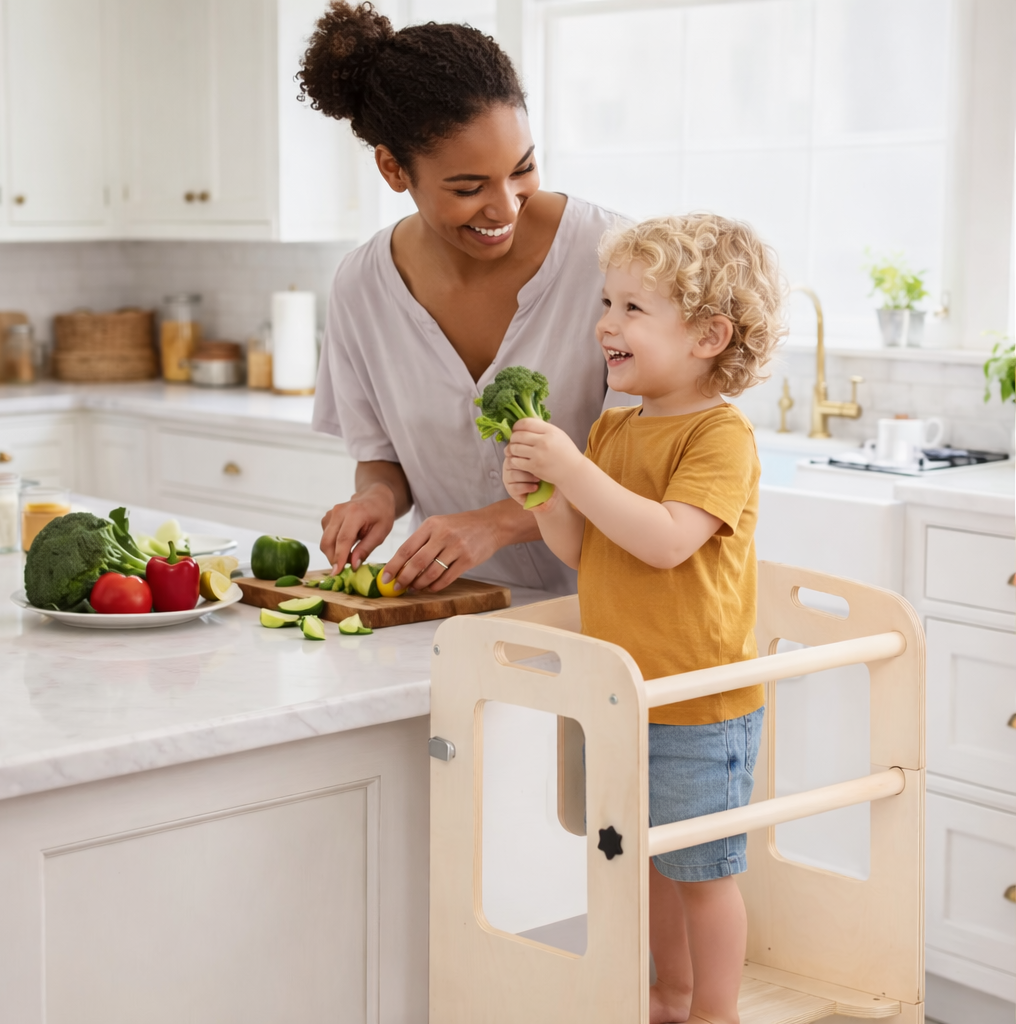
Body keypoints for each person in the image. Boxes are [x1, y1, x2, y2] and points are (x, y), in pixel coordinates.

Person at [502, 213, 785, 1024]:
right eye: (606, 302)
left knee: (703, 873)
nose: (605, 324)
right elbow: (587, 552)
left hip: (698, 704)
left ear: (707, 335)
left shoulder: (720, 435)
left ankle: (717, 1011)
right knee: (648, 866)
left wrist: (571, 470)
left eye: (632, 308)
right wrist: (545, 495)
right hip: (626, 698)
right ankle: (670, 995)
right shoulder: (612, 427)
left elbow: (665, 543)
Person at [298, 1, 624, 595]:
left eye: (522, 169)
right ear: (394, 170)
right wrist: (374, 496)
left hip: (610, 617)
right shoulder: (362, 287)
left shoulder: (616, 261)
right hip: (454, 613)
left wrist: (495, 524)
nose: (505, 207)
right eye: (469, 188)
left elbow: (645, 468)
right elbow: (383, 456)